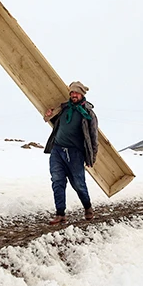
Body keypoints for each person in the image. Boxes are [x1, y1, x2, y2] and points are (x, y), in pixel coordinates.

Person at [43, 81, 99, 225]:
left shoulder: (89, 114)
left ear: (82, 94)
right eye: (72, 92)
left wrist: (91, 157)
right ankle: (60, 214)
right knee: (57, 181)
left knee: (78, 184)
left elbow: (93, 137)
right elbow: (56, 122)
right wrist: (49, 115)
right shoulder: (64, 108)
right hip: (57, 150)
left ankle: (88, 207)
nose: (74, 95)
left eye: (76, 93)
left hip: (75, 154)